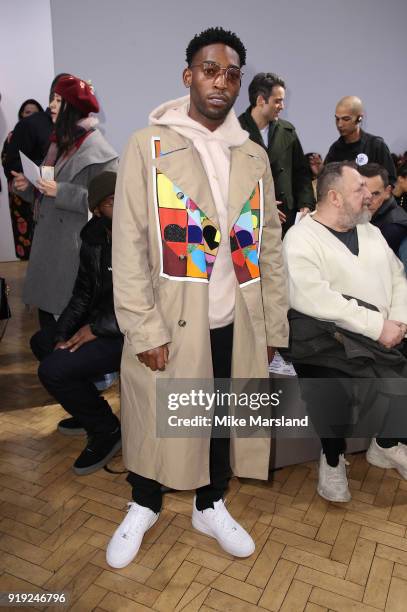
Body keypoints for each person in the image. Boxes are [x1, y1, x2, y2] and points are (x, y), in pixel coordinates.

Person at [107, 26, 288, 568]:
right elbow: (131, 243)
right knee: (158, 420)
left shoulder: (251, 154)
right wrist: (143, 328)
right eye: (210, 69)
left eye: (232, 73)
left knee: (220, 421)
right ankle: (144, 503)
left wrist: (275, 328)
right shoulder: (150, 145)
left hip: (237, 317)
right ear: (189, 76)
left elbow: (269, 247)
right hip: (172, 317)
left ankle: (210, 504)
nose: (221, 81)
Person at [283, 161, 407, 503]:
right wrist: (377, 326)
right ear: (335, 197)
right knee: (330, 387)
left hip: (382, 332)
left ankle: (385, 444)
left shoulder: (370, 231)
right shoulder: (300, 239)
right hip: (324, 339)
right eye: (360, 190)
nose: (370, 196)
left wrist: (398, 321)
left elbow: (398, 277)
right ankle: (333, 458)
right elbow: (314, 299)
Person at [30, 171, 122, 475]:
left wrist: (96, 329)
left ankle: (106, 429)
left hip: (127, 332)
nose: (119, 205)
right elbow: (83, 293)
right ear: (97, 209)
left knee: (53, 370)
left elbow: (146, 300)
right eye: (110, 202)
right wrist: (64, 333)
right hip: (100, 326)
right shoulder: (93, 236)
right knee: (44, 342)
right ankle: (91, 412)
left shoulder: (138, 235)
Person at [12, 75, 118, 330]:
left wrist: (62, 191)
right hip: (51, 247)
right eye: (52, 99)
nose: (51, 106)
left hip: (73, 252)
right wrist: (28, 188)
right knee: (48, 323)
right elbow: (45, 189)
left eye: (59, 100)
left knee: (65, 329)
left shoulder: (99, 151)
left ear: (73, 107)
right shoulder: (59, 145)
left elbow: (112, 204)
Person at [238, 72, 314, 232]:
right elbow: (232, 183)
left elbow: (302, 174)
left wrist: (305, 205)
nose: (282, 106)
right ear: (260, 101)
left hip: (287, 222)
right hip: (249, 223)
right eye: (277, 101)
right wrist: (263, 206)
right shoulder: (235, 133)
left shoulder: (288, 132)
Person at [1, 99, 44, 259]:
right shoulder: (13, 136)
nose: (30, 116)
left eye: (34, 113)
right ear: (21, 115)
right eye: (27, 112)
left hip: (42, 189)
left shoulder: (48, 135)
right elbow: (6, 160)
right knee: (23, 230)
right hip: (19, 192)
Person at [325, 96, 396, 185]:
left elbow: (391, 181)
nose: (340, 124)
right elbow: (327, 182)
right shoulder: (335, 149)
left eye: (346, 119)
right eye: (337, 119)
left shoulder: (376, 146)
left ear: (359, 118)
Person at [358, 163, 407, 255]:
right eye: (362, 192)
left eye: (375, 194)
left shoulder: (393, 228)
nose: (368, 201)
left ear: (387, 192)